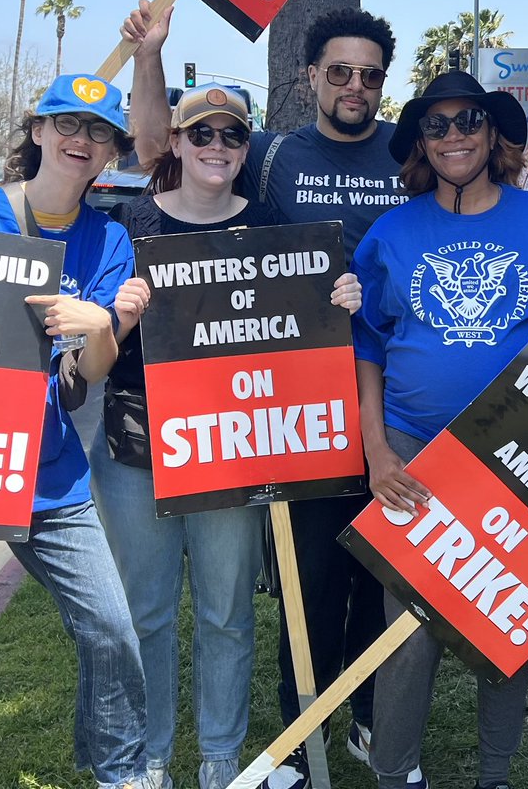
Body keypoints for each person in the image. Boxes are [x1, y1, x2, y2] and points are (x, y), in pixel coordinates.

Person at [124, 1, 409, 787]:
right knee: (307, 572)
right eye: (340, 71)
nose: (355, 85)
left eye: (369, 75)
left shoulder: (407, 151)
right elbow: (160, 149)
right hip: (297, 402)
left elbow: (468, 174)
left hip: (393, 391)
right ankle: (301, 720)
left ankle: (363, 712)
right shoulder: (268, 153)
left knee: (380, 571)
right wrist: (151, 56)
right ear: (309, 76)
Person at [351, 70, 528, 789]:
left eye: (468, 120)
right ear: (418, 143)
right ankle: (395, 771)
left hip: (520, 441)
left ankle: (494, 774)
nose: (453, 136)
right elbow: (366, 345)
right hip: (412, 445)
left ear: (493, 131)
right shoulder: (390, 234)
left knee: (507, 614)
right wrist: (376, 451)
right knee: (409, 621)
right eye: (435, 126)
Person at [90, 83, 363, 789]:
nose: (217, 148)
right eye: (201, 135)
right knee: (145, 612)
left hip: (233, 448)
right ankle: (149, 756)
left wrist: (337, 301)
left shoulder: (270, 223)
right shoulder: (131, 224)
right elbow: (96, 352)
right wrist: (116, 315)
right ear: (174, 143)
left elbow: (299, 332)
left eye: (231, 136)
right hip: (139, 445)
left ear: (247, 149)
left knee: (226, 613)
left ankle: (218, 752)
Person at [0, 73, 153, 789]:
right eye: (67, 124)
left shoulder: (108, 241)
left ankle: (122, 774)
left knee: (110, 629)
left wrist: (107, 325)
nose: (81, 140)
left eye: (98, 131)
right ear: (37, 131)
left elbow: (79, 382)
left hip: (49, 467)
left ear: (110, 154)